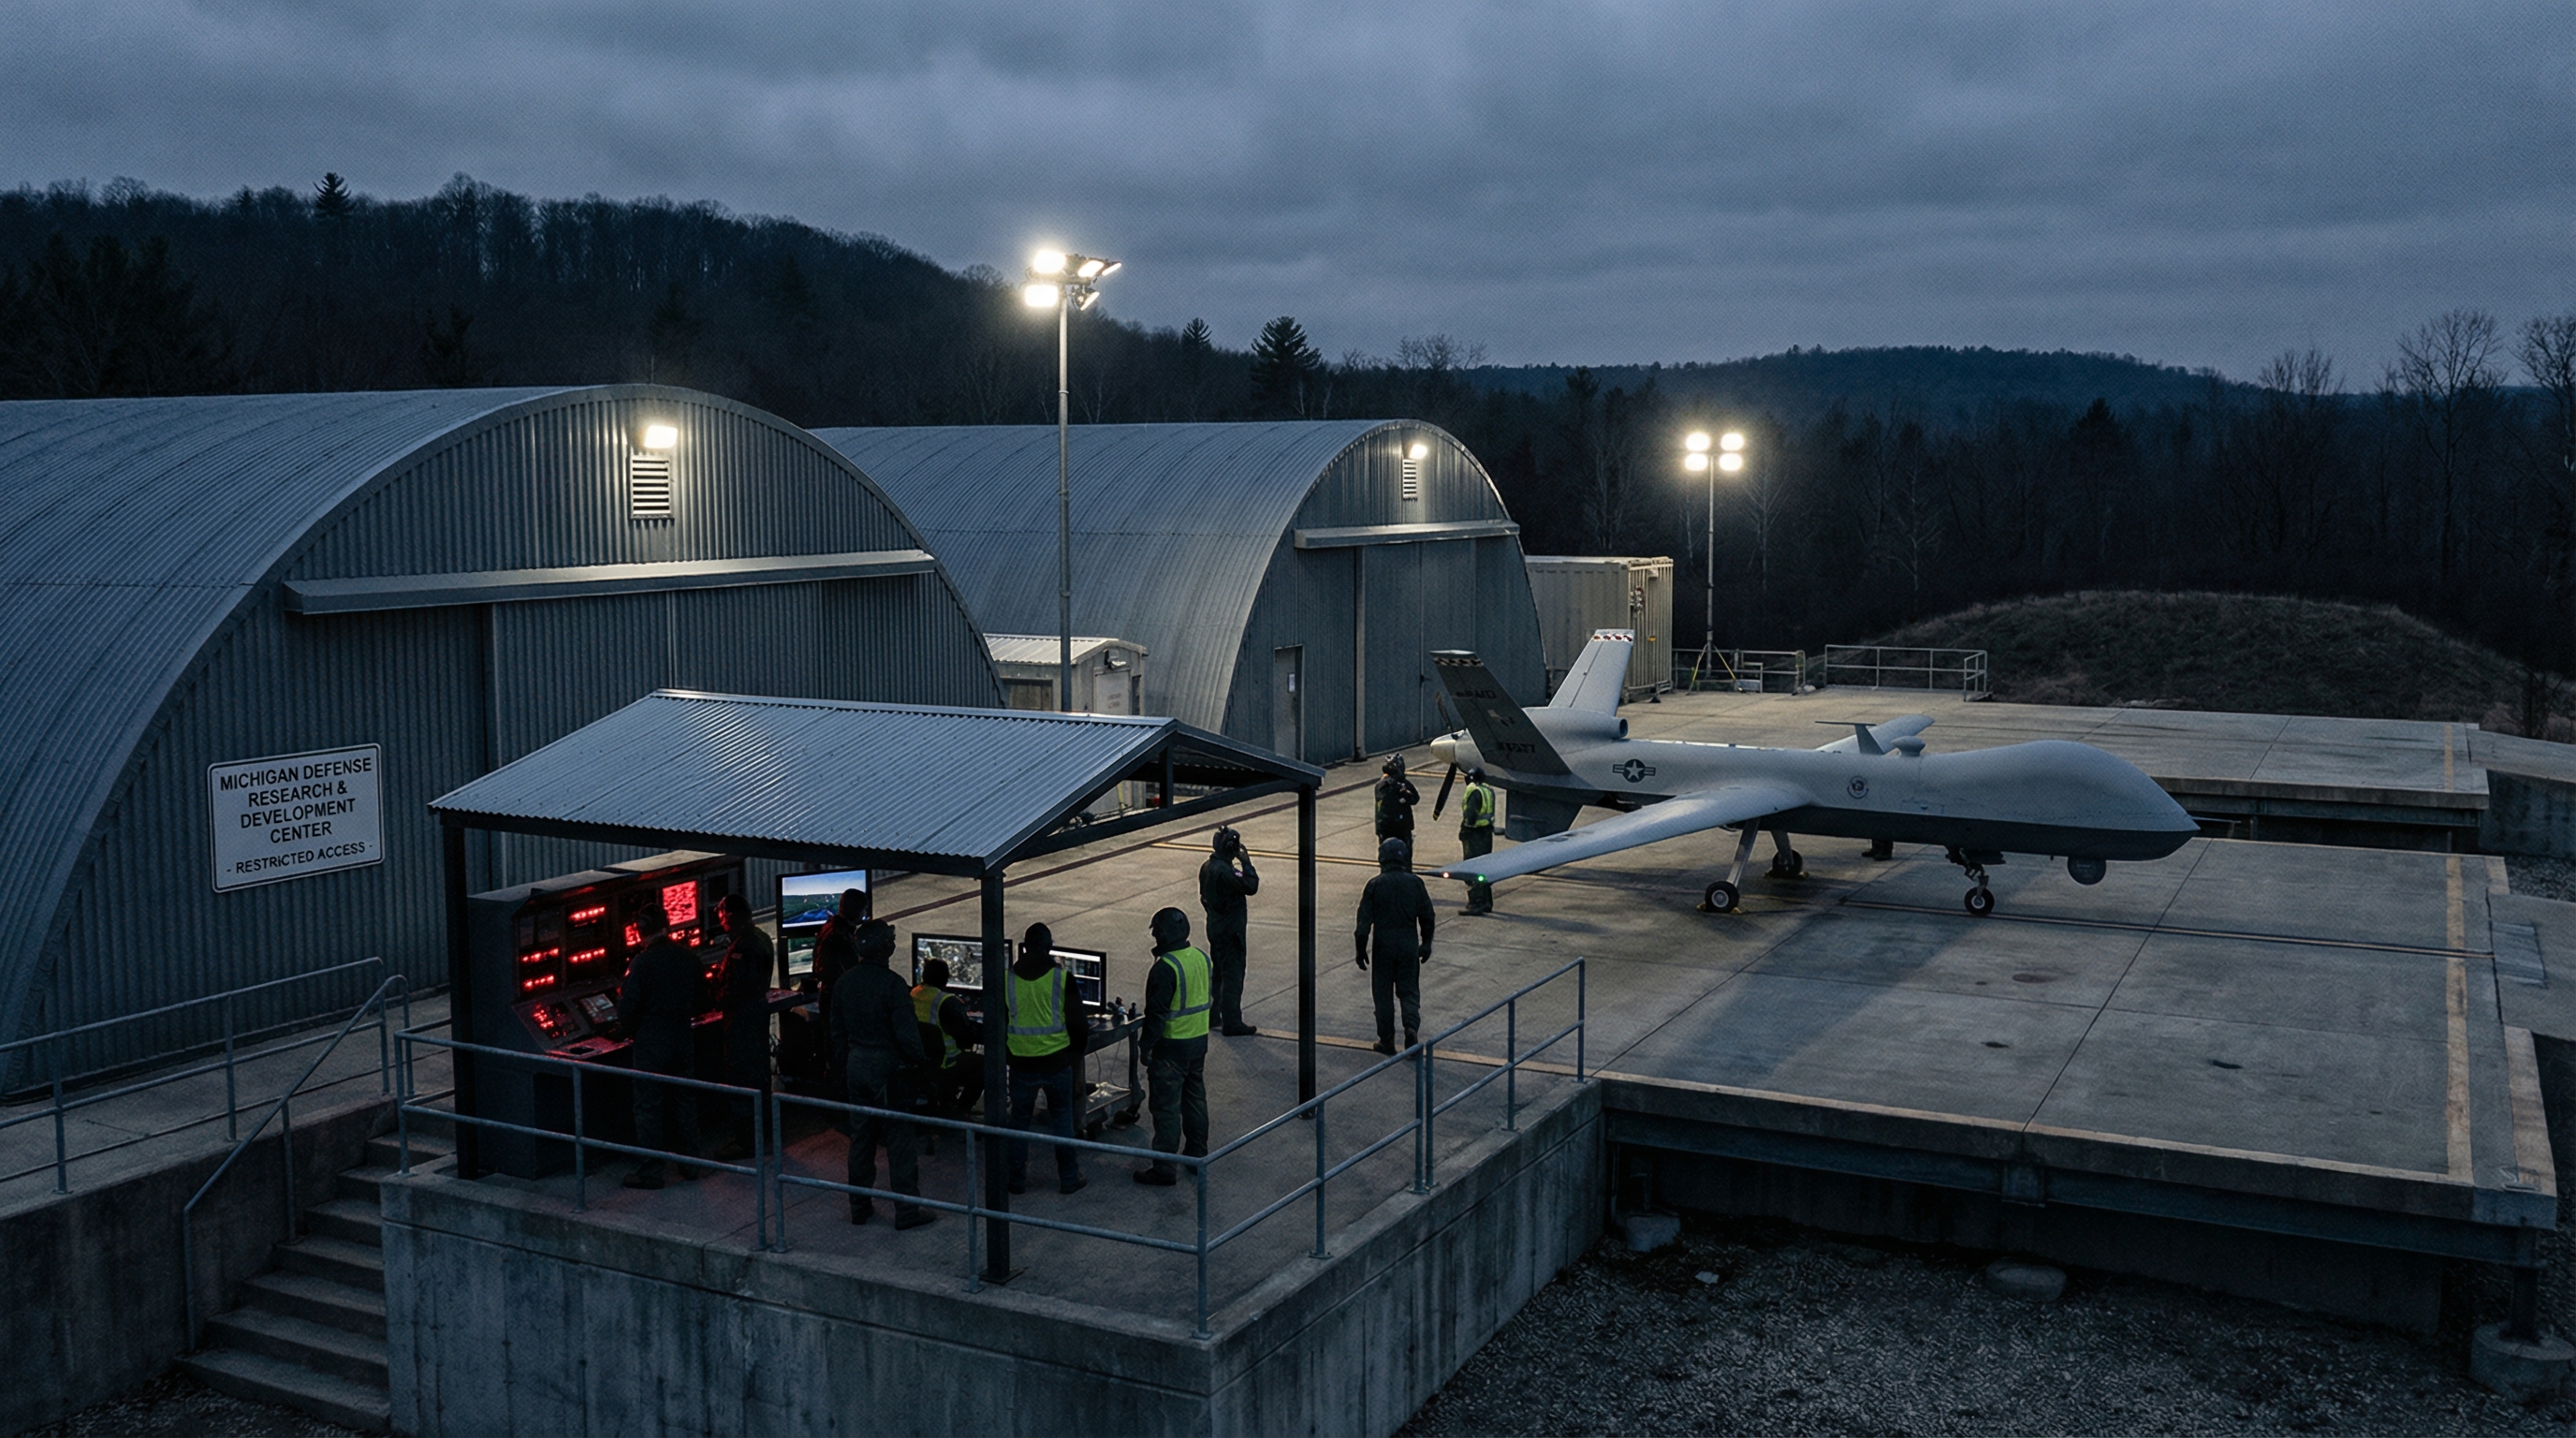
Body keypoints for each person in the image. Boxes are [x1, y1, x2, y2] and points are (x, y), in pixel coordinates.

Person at [827, 918, 934, 1228]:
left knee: (862, 1138)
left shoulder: (844, 983)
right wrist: (922, 1065)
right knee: (899, 1139)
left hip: (856, 1065)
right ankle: (907, 1211)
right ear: (885, 948)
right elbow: (908, 1037)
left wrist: (844, 1066)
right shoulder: (893, 984)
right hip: (887, 1070)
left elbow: (835, 1034)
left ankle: (859, 1206)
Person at [617, 901, 702, 1188]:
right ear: (667, 926)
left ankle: (651, 1172)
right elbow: (704, 998)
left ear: (640, 931)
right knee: (684, 1101)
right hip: (682, 1037)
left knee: (649, 1106)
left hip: (651, 1042)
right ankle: (691, 1165)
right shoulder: (688, 957)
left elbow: (627, 1009)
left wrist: (626, 1032)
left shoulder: (641, 964)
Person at [1003, 922, 1090, 1196]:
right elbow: (1079, 1025)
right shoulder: (1061, 978)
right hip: (1056, 1063)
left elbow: (999, 1022)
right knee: (1062, 1120)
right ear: (1049, 946)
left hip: (1020, 1064)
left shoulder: (1007, 978)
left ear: (1025, 947)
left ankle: (1016, 1180)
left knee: (1019, 1123)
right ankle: (1069, 1178)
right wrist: (1074, 1058)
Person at [1134, 908, 1213, 1186]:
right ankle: (1196, 1155)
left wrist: (1145, 1047)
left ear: (1164, 934)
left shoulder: (1165, 968)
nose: (1154, 935)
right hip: (1198, 1043)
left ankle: (1165, 1169)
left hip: (1171, 1049)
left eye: (1155, 930)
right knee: (1195, 1101)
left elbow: (1156, 1016)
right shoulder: (1201, 958)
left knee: (1166, 1109)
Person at [1354, 837, 1436, 1055]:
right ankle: (1411, 1028)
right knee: (1409, 991)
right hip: (1408, 943)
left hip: (1383, 946)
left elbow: (1363, 924)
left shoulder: (1375, 885)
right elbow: (1428, 916)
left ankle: (1387, 1041)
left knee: (1383, 995)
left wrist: (1360, 950)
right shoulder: (1415, 883)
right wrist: (1426, 943)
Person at [711, 892, 775, 1161]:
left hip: (741, 1020)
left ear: (733, 916)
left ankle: (746, 1142)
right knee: (760, 1074)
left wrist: (713, 998)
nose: (722, 922)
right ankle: (765, 1132)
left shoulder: (742, 948)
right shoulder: (760, 937)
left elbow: (736, 989)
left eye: (723, 917)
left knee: (741, 1076)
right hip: (757, 1015)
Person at [1197, 826, 1262, 1036]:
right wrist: (1246, 863)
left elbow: (1203, 898)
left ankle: (1213, 1014)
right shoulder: (1225, 871)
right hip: (1230, 930)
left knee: (1217, 974)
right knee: (1232, 975)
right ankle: (1232, 1021)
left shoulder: (1207, 866)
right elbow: (1251, 886)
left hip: (1215, 926)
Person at [910, 957, 985, 1124]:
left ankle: (946, 1103)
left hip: (917, 1062)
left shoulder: (912, 994)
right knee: (984, 1065)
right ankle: (959, 1112)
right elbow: (966, 1038)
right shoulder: (947, 1002)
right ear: (946, 979)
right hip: (945, 1063)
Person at [1456, 767, 1497, 917]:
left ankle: (1476, 903)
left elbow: (1471, 815)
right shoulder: (1488, 790)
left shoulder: (1473, 791)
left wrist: (1465, 829)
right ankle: (1487, 901)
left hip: (1474, 834)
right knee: (1485, 867)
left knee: (1472, 868)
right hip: (1486, 833)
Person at [1373, 756, 1419, 845]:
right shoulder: (1387, 785)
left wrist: (1405, 795)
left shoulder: (1381, 785)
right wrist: (1403, 794)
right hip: (1394, 826)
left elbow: (1415, 798)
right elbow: (1414, 798)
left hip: (1391, 826)